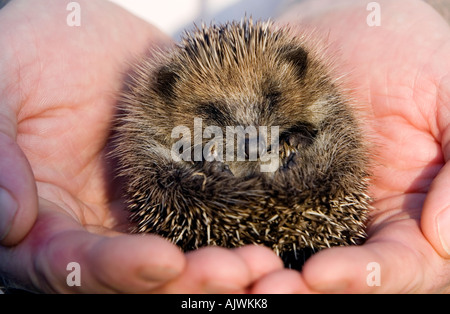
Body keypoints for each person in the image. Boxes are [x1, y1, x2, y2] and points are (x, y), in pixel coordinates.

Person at [0, 0, 448, 293]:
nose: (251, 131)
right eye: (215, 113)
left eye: (270, 101)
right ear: (169, 95)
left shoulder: (317, 92)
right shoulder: (152, 122)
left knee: (331, 143)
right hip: (202, 192)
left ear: (297, 73)